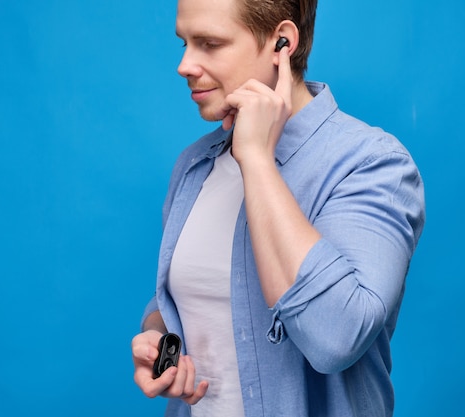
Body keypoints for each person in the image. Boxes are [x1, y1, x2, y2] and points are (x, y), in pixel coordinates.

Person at [131, 0, 425, 415]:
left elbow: (336, 338)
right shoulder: (193, 166)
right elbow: (182, 301)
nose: (185, 65)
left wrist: (256, 159)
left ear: (282, 42)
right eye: (184, 44)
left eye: (209, 44)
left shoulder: (371, 164)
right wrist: (159, 338)